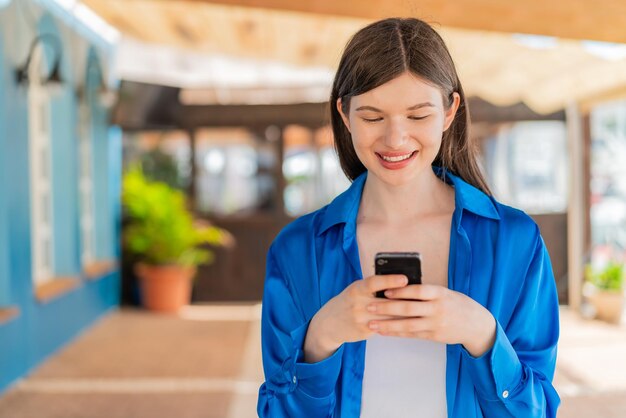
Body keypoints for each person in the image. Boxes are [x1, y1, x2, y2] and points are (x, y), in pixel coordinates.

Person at [257, 17, 560, 417]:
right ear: (344, 114)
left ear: (450, 110)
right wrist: (321, 336)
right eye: (371, 117)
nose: (395, 139)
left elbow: (537, 411)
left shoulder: (516, 241)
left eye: (417, 116)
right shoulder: (297, 250)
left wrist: (482, 333)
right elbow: (277, 410)